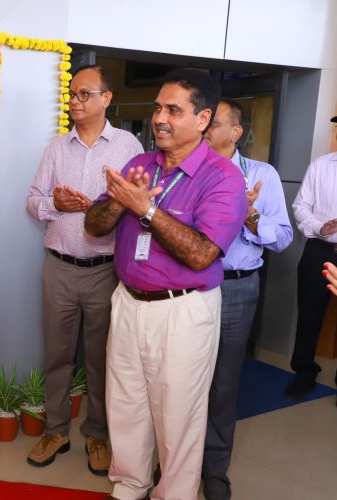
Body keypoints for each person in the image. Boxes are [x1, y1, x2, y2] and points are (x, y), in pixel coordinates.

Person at [84, 69, 247, 500]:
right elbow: (93, 225)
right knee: (125, 405)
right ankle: (130, 485)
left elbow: (200, 254)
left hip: (183, 311)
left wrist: (147, 211)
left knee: (178, 417)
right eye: (158, 107)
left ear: (202, 119)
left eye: (173, 110)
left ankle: (174, 494)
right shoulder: (140, 164)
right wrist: (120, 202)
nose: (160, 118)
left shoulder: (223, 178)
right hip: (127, 301)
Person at [24, 65, 143, 475]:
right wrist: (57, 204)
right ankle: (55, 430)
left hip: (106, 272)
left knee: (101, 358)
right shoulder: (56, 148)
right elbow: (32, 202)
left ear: (106, 99)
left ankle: (98, 434)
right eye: (71, 94)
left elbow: (139, 206)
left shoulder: (129, 147)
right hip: (58, 268)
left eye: (83, 94)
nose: (74, 101)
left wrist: (107, 206)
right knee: (57, 356)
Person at [201, 98, 293, 500]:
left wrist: (250, 215)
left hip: (238, 287)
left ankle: (214, 467)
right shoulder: (189, 170)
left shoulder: (262, 175)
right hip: (190, 285)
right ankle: (171, 459)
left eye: (213, 121)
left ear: (235, 131)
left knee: (223, 382)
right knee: (181, 377)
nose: (204, 126)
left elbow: (285, 238)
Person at [287, 116, 337, 400]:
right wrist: (320, 227)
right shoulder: (321, 166)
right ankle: (304, 373)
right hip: (319, 251)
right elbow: (301, 205)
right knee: (309, 314)